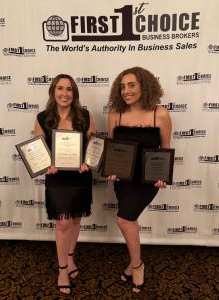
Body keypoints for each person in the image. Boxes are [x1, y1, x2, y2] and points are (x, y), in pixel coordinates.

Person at [107, 67, 172, 293]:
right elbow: (112, 147)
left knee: (125, 220)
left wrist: (162, 175)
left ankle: (137, 265)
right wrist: (111, 169)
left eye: (131, 85)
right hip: (123, 180)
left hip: (146, 181)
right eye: (122, 86)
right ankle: (134, 264)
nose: (126, 90)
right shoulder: (115, 113)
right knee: (128, 221)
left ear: (144, 85)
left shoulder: (159, 113)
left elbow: (166, 148)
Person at [34, 74, 95, 295]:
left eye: (69, 89)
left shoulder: (85, 116)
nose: (65, 93)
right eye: (60, 88)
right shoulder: (42, 118)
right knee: (63, 224)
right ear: (53, 92)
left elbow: (94, 147)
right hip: (57, 179)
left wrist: (87, 162)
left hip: (80, 177)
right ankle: (62, 270)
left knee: (76, 220)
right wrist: (45, 165)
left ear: (74, 93)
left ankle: (70, 257)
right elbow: (38, 151)